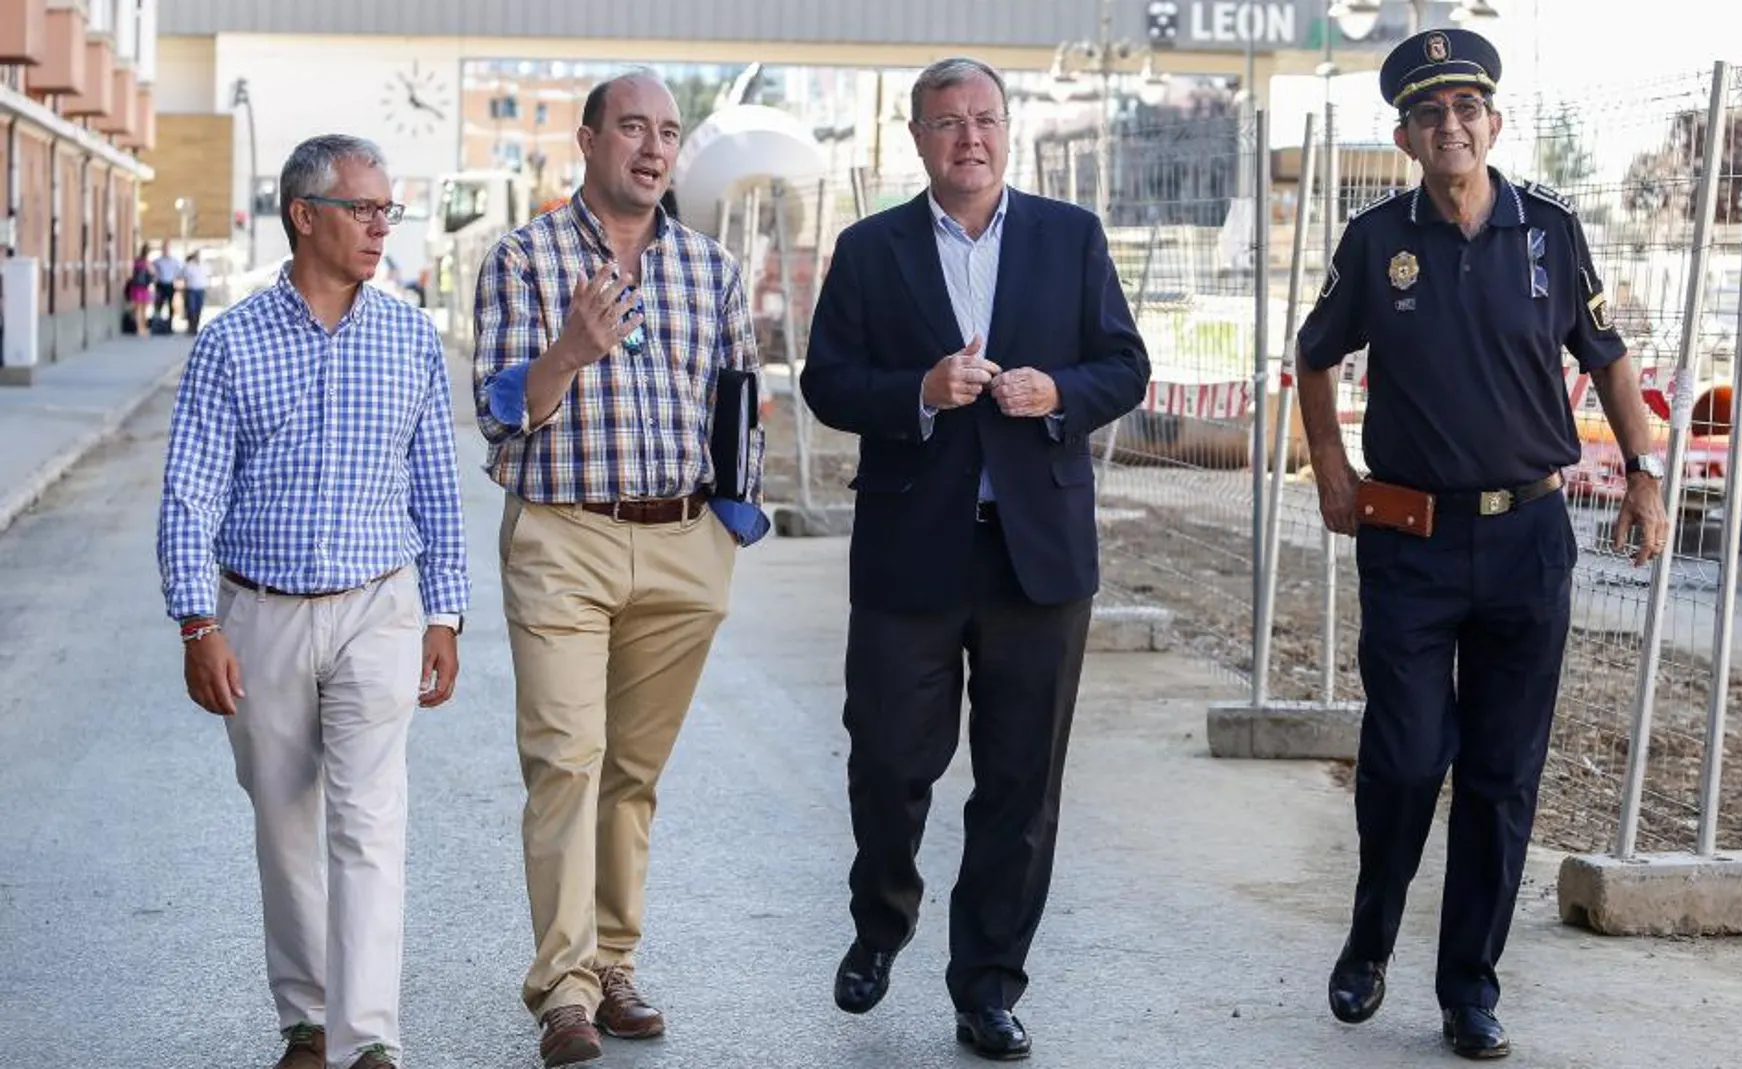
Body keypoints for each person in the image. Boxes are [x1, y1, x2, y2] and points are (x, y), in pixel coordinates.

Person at [1293, 29, 1669, 1060]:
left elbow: (1608, 358)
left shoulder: (1549, 232)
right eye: (1429, 113)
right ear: (1405, 135)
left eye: (1466, 108)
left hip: (1528, 541)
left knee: (1503, 774)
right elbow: (1312, 355)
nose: (1449, 125)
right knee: (1409, 759)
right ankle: (1369, 939)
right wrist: (1330, 468)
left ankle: (1468, 986)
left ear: (1493, 123)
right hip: (1408, 540)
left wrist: (1642, 472)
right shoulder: (1376, 244)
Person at [800, 55, 1151, 1062]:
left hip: (1036, 555)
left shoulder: (1069, 238)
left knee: (1019, 783)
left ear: (1009, 130)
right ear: (915, 138)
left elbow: (1123, 362)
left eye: (985, 118)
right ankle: (883, 917)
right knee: (887, 760)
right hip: (912, 551)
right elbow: (827, 380)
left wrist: (1060, 394)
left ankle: (987, 984)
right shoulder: (870, 249)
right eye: (947, 121)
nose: (968, 137)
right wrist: (920, 387)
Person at [469, 69, 767, 1069]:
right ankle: (563, 989)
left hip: (683, 542)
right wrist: (568, 350)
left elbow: (738, 396)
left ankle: (613, 963)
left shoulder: (709, 268)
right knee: (565, 760)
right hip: (564, 535)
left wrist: (729, 515)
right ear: (588, 139)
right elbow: (501, 411)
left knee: (633, 774)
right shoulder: (523, 259)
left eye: (667, 132)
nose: (652, 146)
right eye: (632, 127)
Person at [155, 133, 469, 1069]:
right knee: (285, 817)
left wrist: (445, 614)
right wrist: (196, 621)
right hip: (261, 613)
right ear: (305, 215)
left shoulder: (411, 337)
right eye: (363, 210)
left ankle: (366, 1035)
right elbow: (191, 491)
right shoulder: (229, 345)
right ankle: (307, 1019)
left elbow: (436, 491)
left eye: (388, 212)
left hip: (380, 603)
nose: (381, 228)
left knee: (370, 819)